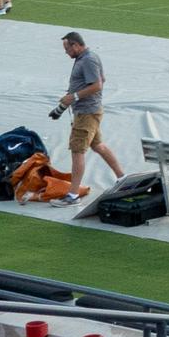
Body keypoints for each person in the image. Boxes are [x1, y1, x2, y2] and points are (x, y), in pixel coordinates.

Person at [52, 32, 124, 206]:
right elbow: (101, 79)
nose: (66, 52)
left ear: (76, 45)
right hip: (90, 110)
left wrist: (75, 96)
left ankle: (73, 195)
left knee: (77, 151)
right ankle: (122, 177)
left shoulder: (88, 60)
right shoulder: (88, 58)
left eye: (67, 48)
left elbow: (98, 84)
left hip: (86, 113)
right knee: (98, 145)